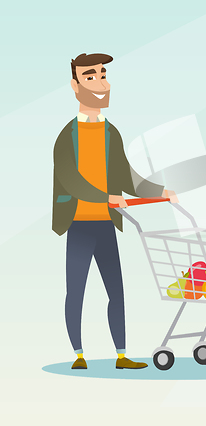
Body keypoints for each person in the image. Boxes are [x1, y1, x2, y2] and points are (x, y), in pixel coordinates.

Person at [52, 53, 178, 370]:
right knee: (76, 293)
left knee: (116, 293)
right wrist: (105, 197)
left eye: (103, 75)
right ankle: (79, 355)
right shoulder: (67, 137)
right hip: (79, 225)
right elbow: (71, 181)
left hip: (106, 226)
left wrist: (159, 191)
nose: (101, 83)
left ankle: (121, 355)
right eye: (90, 77)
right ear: (75, 85)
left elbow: (127, 177)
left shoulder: (111, 133)